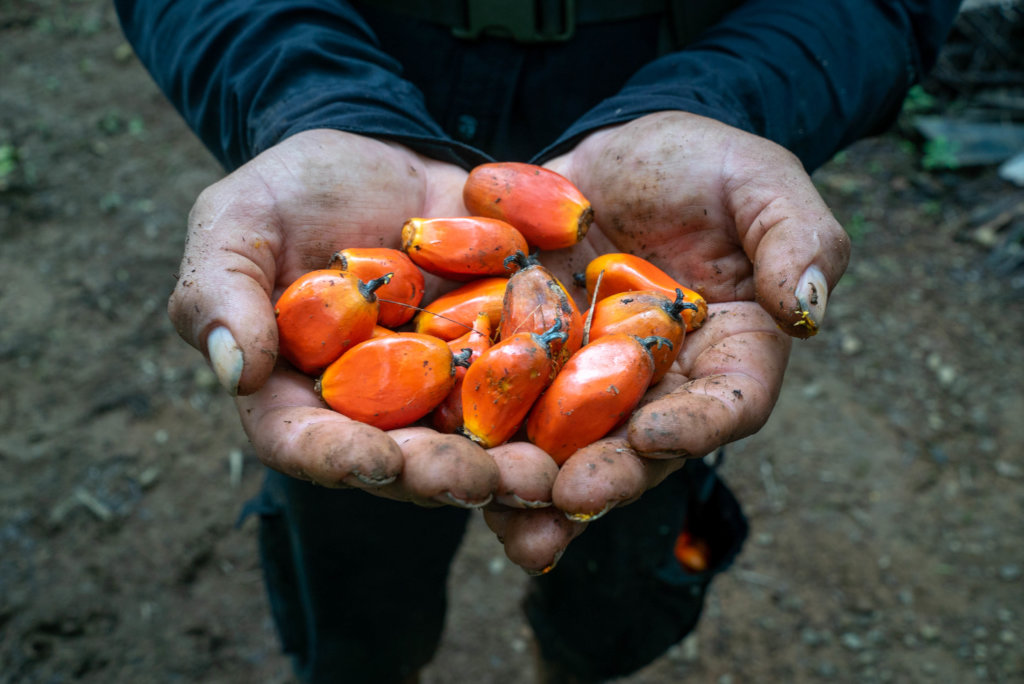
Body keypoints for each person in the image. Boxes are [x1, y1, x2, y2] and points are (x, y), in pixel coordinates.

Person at [115, 1, 963, 681]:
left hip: (668, 132)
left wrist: (728, 100)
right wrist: (310, 101)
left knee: (615, 580)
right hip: (359, 78)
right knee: (355, 599)